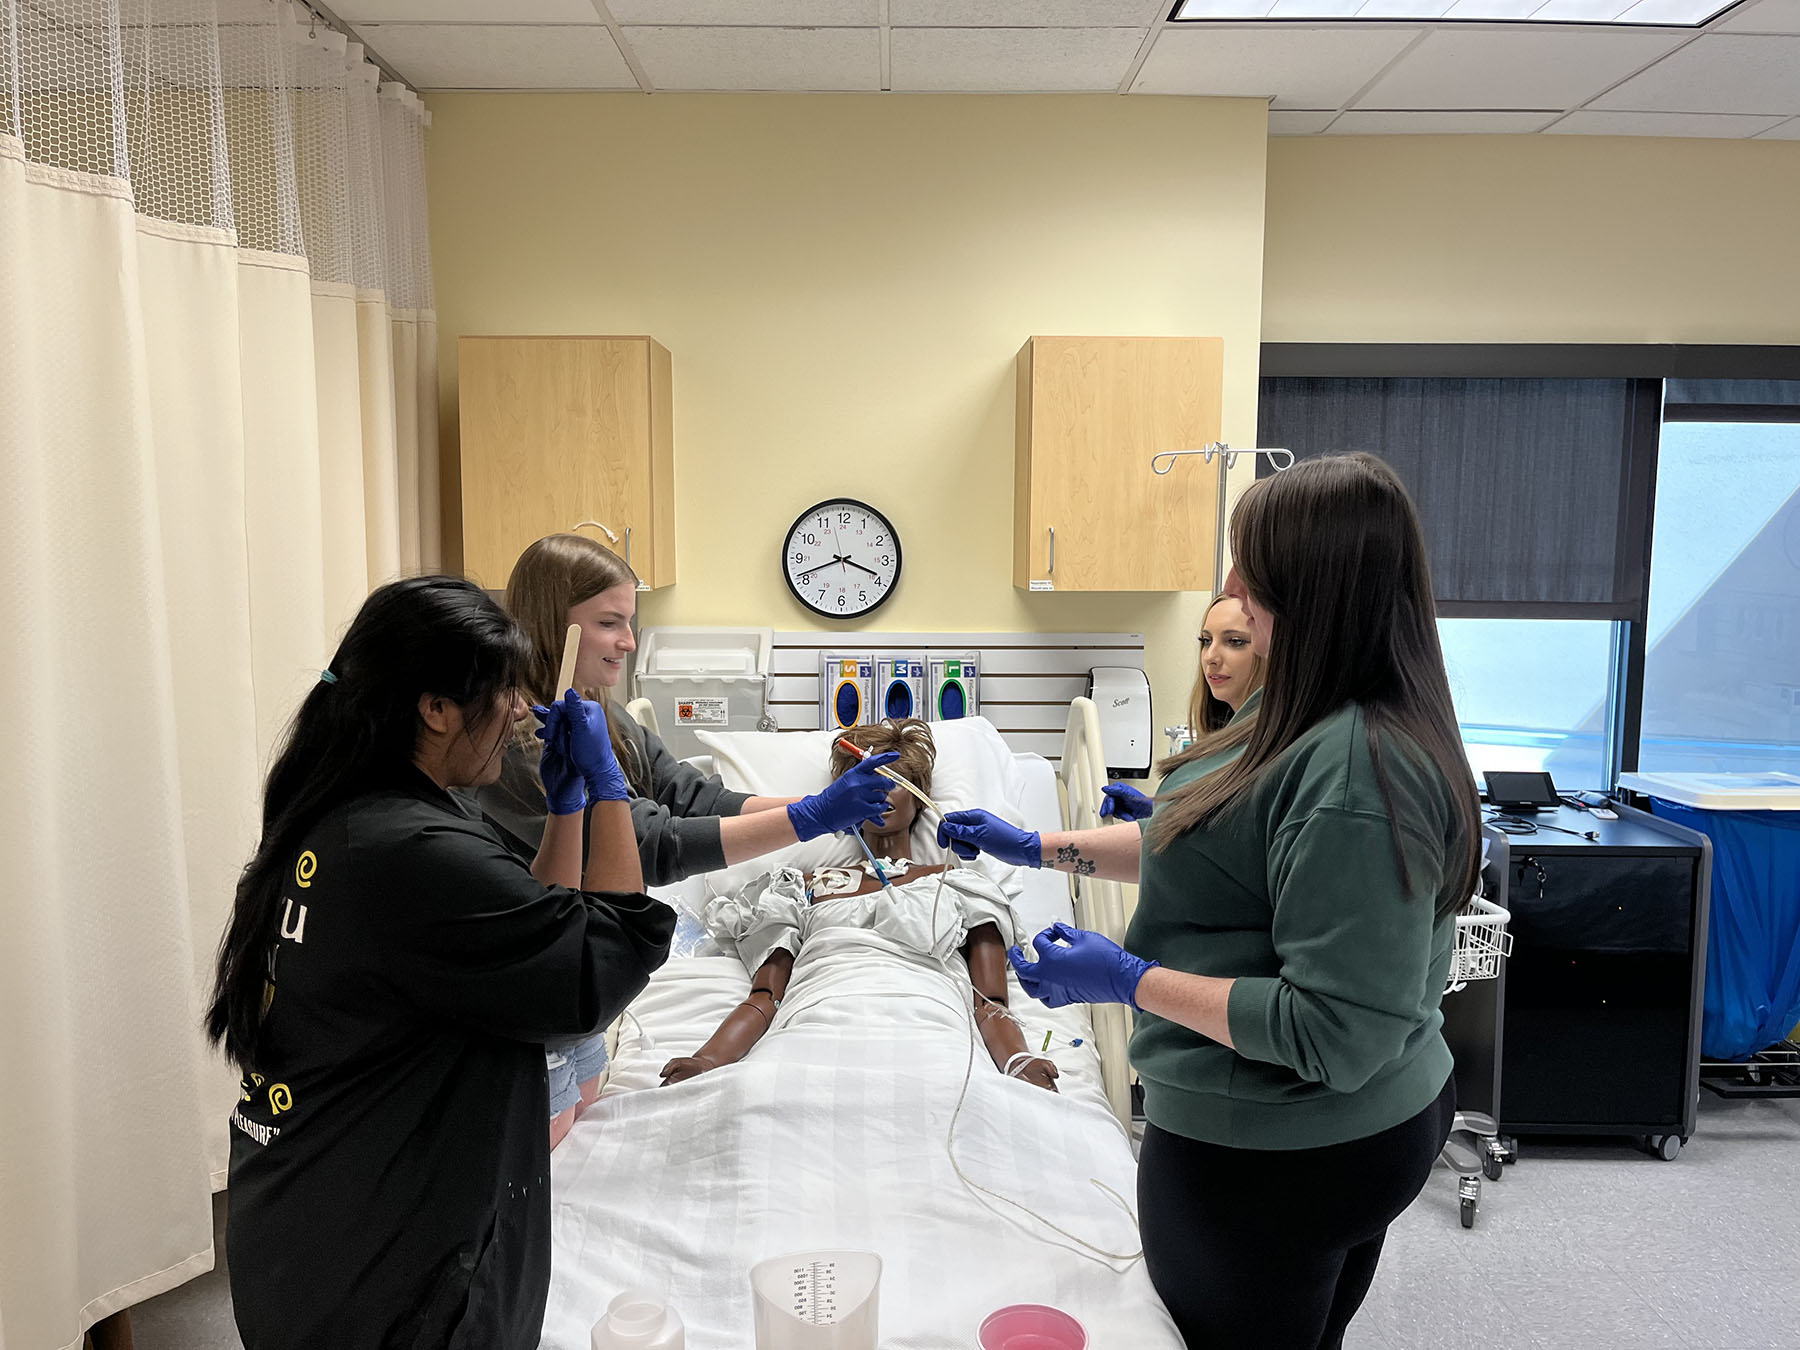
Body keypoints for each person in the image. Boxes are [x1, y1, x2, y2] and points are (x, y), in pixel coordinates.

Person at [935, 453, 1480, 1350]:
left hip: (1284, 1154)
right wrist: (1036, 845)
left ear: (1312, 588)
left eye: (1249, 567)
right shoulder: (1302, 709)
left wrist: (1129, 979)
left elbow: (1333, 1029)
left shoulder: (1355, 771)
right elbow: (1216, 847)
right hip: (1329, 1133)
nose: (1228, 588)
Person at [207, 576, 675, 1350]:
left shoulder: (352, 809)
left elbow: (525, 952)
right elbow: (596, 965)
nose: (520, 711)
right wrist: (609, 790)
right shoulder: (407, 851)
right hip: (383, 1277)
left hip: (312, 1224)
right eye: (502, 693)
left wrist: (564, 813)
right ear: (436, 708)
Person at [473, 533, 899, 1143]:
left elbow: (688, 795)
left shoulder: (600, 715)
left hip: (577, 990)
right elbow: (652, 845)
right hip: (528, 992)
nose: (629, 642)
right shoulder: (517, 745)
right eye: (609, 623)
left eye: (631, 622)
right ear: (551, 626)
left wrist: (820, 806)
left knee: (579, 1134)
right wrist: (810, 820)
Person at [660, 718, 1058, 1093]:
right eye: (869, 782)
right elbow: (764, 998)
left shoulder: (959, 886)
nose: (882, 792)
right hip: (812, 1032)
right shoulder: (800, 888)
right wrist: (708, 1061)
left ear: (921, 798)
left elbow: (991, 1004)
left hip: (930, 1034)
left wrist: (1019, 1062)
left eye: (896, 780)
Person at [1099, 591, 1266, 824]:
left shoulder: (1271, 749)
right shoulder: (1229, 735)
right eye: (1206, 641)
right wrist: (1158, 810)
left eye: (1235, 642)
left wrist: (1041, 847)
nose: (1211, 657)